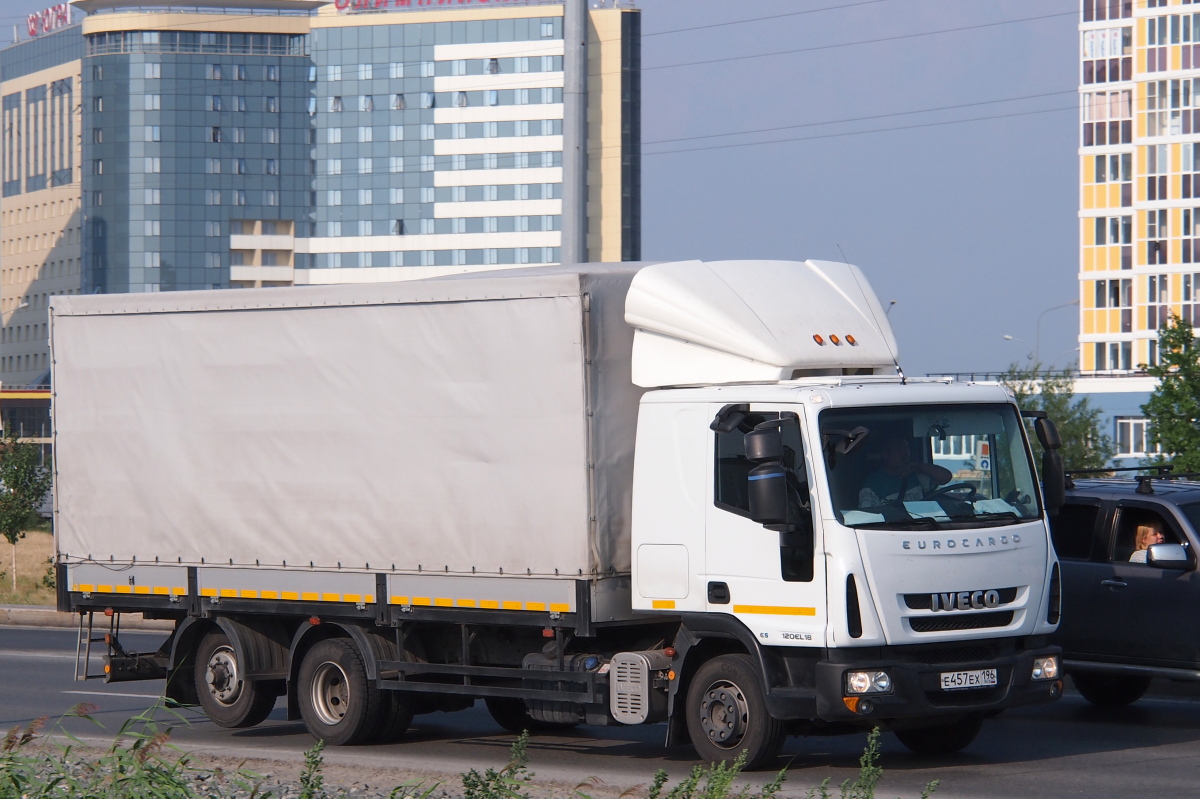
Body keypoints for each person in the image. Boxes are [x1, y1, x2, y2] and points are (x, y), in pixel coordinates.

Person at [858, 434, 953, 509]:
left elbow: (945, 477)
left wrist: (918, 466)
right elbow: (868, 515)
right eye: (899, 449)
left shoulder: (915, 475)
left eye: (906, 448)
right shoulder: (872, 484)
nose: (905, 453)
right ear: (886, 454)